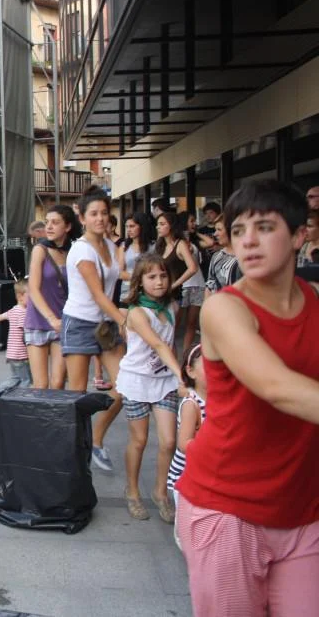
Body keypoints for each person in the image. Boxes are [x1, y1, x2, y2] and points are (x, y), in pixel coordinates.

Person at [176, 179, 319, 615]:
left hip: (303, 507)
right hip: (228, 508)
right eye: (238, 230)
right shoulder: (225, 308)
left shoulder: (314, 301)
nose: (248, 241)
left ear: (299, 235)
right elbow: (276, 386)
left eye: (265, 227)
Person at [116, 254, 187, 523]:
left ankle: (160, 492)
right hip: (136, 381)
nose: (159, 282)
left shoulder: (173, 307)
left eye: (163, 276)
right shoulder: (136, 313)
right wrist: (183, 375)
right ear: (140, 281)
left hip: (165, 381)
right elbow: (157, 344)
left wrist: (176, 375)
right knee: (140, 440)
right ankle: (132, 491)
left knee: (169, 441)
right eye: (152, 277)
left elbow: (169, 343)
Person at [61, 186, 126, 472]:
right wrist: (125, 321)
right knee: (77, 394)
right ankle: (73, 454)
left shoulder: (110, 246)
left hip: (105, 324)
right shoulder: (81, 249)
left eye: (104, 213)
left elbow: (117, 278)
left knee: (125, 387)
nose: (100, 218)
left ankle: (96, 440)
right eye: (94, 214)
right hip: (79, 323)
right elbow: (99, 294)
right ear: (83, 218)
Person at [24, 205, 78, 389]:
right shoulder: (40, 250)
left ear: (68, 226)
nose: (49, 226)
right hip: (39, 320)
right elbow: (33, 288)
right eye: (47, 222)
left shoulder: (74, 251)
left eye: (55, 223)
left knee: (58, 382)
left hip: (63, 321)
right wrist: (51, 318)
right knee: (41, 384)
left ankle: (54, 411)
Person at [166, 342, 206, 549]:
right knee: (187, 528)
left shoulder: (220, 400)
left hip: (204, 474)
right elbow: (183, 444)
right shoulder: (192, 404)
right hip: (185, 475)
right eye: (208, 366)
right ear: (190, 371)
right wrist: (212, 447)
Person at [0, 280, 31, 392]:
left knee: (15, 378)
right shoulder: (23, 313)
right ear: (20, 296)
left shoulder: (13, 310)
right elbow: (26, 334)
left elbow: (0, 316)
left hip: (12, 354)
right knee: (26, 380)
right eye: (30, 295)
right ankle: (20, 398)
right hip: (21, 355)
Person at [176, 211, 206, 356]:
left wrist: (196, 233)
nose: (194, 223)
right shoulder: (178, 242)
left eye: (195, 221)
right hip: (183, 285)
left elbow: (210, 243)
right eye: (191, 221)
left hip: (198, 284)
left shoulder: (194, 242)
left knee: (192, 323)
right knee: (175, 322)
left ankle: (185, 355)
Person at [117, 212, 156, 301]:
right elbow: (120, 273)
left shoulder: (153, 246)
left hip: (148, 292)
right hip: (127, 291)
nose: (128, 230)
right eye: (127, 227)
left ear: (141, 226)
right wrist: (140, 278)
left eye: (132, 226)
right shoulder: (124, 246)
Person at [204, 214, 241, 296]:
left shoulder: (244, 257)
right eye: (215, 230)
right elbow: (210, 286)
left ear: (231, 231)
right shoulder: (216, 256)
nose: (215, 234)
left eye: (219, 230)